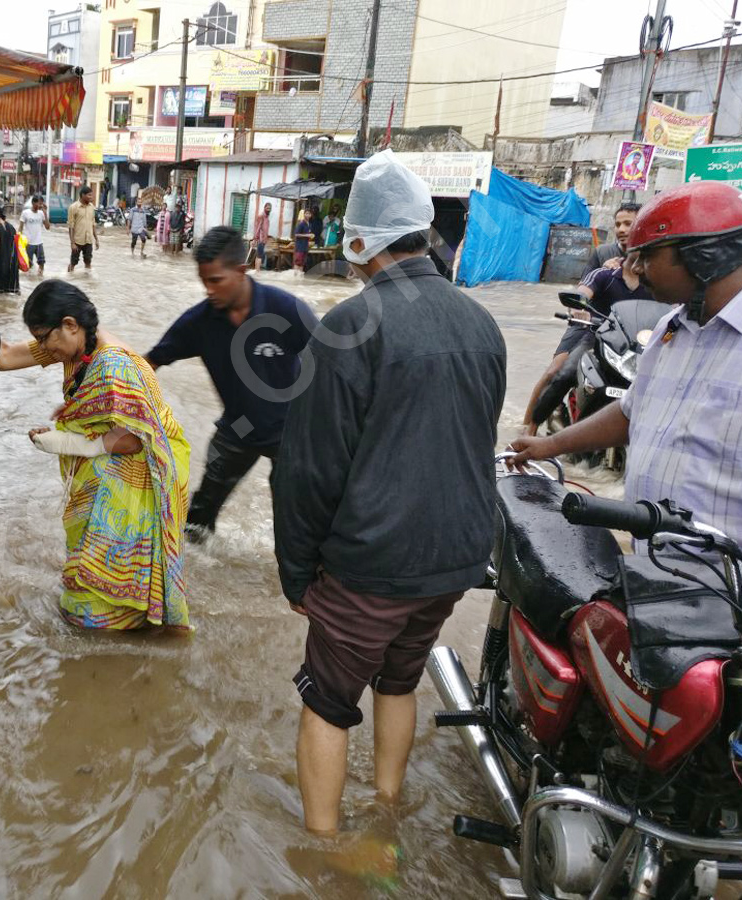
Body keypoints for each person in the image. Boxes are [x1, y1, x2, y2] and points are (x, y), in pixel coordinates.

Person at [273, 150, 506, 837]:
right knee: (399, 681)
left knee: (328, 699)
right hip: (455, 560)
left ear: (358, 241)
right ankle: (388, 805)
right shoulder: (482, 323)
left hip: (372, 565)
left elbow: (309, 469)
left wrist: (296, 573)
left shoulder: (350, 325)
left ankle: (323, 852)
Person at [512, 181, 742, 556]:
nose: (635, 267)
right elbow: (634, 411)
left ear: (703, 255)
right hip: (657, 566)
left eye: (646, 255)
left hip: (737, 586)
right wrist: (549, 446)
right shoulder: (672, 327)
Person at [0, 279, 193, 630]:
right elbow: (4, 356)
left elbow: (133, 440)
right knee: (93, 566)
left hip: (142, 469)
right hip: (110, 464)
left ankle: (123, 637)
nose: (43, 349)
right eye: (38, 341)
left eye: (44, 339)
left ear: (70, 325)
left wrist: (66, 440)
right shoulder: (74, 346)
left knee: (110, 581)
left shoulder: (114, 365)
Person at [146, 226, 317, 544]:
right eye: (203, 282)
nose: (208, 290)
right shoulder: (198, 322)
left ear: (242, 270)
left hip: (292, 432)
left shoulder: (287, 310)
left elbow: (332, 369)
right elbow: (148, 363)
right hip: (237, 428)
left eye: (215, 281)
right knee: (198, 519)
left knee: (297, 523)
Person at [521, 251, 655, 434]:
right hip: (596, 335)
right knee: (564, 374)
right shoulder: (605, 273)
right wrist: (578, 307)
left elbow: (673, 307)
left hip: (635, 345)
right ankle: (531, 428)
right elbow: (582, 293)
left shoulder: (655, 281)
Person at [586, 202, 640, 275]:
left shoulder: (651, 256)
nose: (621, 229)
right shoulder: (601, 252)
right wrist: (602, 273)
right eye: (617, 225)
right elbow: (584, 283)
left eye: (628, 224)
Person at [67, 186, 99, 272]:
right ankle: (69, 278)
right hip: (77, 241)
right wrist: (72, 243)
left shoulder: (91, 207)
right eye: (89, 195)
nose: (91, 197)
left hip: (88, 240)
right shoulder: (73, 207)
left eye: (92, 195)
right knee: (73, 263)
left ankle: (86, 282)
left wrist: (96, 239)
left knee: (88, 262)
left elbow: (93, 224)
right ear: (82, 195)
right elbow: (71, 226)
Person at [20, 195, 50, 276]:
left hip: (39, 242)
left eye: (42, 204)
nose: (40, 206)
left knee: (42, 263)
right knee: (28, 265)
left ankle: (39, 277)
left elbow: (47, 227)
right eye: (39, 203)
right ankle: (29, 279)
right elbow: (20, 228)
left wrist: (45, 213)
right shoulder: (25, 213)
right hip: (28, 243)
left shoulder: (41, 213)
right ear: (33, 203)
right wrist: (19, 242)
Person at [251, 203, 272, 271]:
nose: (268, 210)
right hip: (260, 239)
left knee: (259, 255)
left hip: (264, 240)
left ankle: (256, 271)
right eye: (267, 208)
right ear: (264, 208)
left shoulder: (267, 218)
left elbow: (265, 229)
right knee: (259, 256)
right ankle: (257, 271)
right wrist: (255, 239)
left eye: (269, 208)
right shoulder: (261, 216)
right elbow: (257, 228)